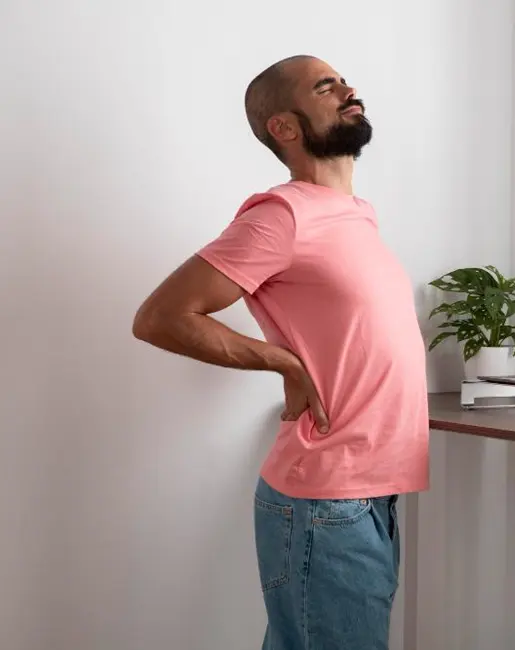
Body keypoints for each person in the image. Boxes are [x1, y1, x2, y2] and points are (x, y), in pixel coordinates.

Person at [132, 54, 429, 650]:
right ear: (285, 127)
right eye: (325, 87)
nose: (347, 89)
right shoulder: (282, 216)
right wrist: (282, 361)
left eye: (344, 80)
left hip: (368, 491)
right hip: (328, 499)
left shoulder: (356, 215)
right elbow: (162, 317)